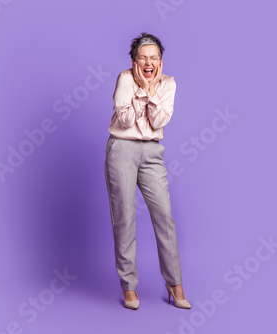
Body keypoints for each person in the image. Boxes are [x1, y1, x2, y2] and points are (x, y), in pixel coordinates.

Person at [104, 32, 191, 310]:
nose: (148, 62)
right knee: (124, 218)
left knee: (164, 216)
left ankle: (174, 283)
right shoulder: (124, 79)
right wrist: (142, 89)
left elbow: (158, 120)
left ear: (161, 62)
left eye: (154, 58)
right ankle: (129, 286)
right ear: (133, 61)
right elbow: (126, 118)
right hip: (122, 149)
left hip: (153, 152)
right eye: (143, 58)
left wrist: (151, 90)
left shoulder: (169, 84)